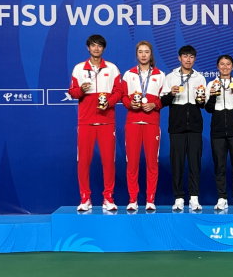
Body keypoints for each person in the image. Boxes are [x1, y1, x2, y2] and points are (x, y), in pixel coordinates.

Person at [68, 35, 122, 211]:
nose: (96, 48)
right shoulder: (78, 69)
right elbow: (72, 92)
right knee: (83, 161)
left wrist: (110, 102)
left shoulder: (112, 69)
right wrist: (80, 90)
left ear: (103, 49)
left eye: (99, 46)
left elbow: (118, 92)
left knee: (108, 161)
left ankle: (108, 198)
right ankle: (85, 198)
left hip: (107, 122)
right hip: (86, 122)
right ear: (88, 48)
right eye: (93, 45)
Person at [160, 45, 206, 211]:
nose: (188, 59)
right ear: (179, 58)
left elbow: (203, 104)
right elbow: (162, 102)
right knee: (177, 163)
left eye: (191, 57)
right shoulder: (170, 77)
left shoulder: (200, 78)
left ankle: (194, 197)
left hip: (194, 126)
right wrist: (171, 93)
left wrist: (201, 100)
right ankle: (178, 197)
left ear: (195, 59)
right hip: (177, 126)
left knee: (195, 163)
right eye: (185, 56)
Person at [121, 41, 165, 211]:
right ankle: (132, 199)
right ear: (137, 54)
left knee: (152, 163)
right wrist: (129, 104)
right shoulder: (128, 74)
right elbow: (123, 96)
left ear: (151, 54)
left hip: (151, 123)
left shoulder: (160, 75)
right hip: (132, 122)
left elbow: (165, 98)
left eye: (147, 52)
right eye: (141, 52)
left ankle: (150, 199)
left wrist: (154, 105)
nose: (144, 55)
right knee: (132, 163)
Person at [204, 55, 233, 211]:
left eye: (228, 64)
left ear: (232, 66)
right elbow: (208, 109)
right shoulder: (211, 85)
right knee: (220, 166)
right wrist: (214, 96)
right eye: (222, 64)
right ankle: (221, 198)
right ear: (217, 66)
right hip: (217, 131)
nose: (225, 67)